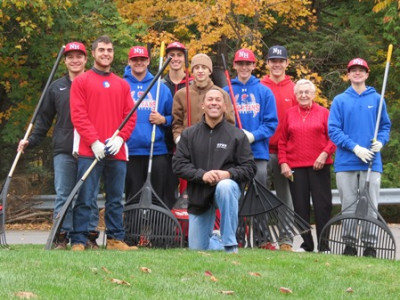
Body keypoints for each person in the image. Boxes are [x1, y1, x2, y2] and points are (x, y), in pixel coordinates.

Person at [17, 42, 99, 250]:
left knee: (88, 194)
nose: (75, 60)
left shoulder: (95, 84)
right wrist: (31, 141)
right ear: (65, 61)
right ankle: (61, 236)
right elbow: (44, 120)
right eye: (70, 57)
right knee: (64, 193)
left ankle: (88, 236)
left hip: (91, 148)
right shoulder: (56, 88)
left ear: (85, 59)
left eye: (79, 56)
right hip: (64, 149)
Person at [69, 35, 137, 251]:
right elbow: (78, 115)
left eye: (109, 50)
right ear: (94, 53)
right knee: (86, 197)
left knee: (116, 198)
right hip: (90, 151)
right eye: (102, 50)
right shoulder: (82, 81)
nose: (106, 53)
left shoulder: (122, 84)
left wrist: (120, 137)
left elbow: (131, 116)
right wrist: (94, 142)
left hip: (116, 152)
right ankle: (79, 239)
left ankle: (116, 239)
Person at [172, 89, 256, 253]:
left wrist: (228, 174)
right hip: (199, 194)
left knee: (225, 186)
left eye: (218, 100)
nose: (214, 103)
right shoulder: (189, 134)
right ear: (203, 105)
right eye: (210, 100)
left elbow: (250, 168)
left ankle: (229, 244)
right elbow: (178, 165)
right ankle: (216, 240)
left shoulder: (237, 135)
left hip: (226, 192)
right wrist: (202, 175)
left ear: (225, 106)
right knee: (197, 250)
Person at [328, 58, 391, 257]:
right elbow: (333, 130)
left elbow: (385, 127)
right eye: (353, 70)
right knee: (348, 204)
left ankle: (370, 245)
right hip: (346, 162)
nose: (357, 73)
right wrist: (354, 148)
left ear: (367, 73)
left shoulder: (377, 100)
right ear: (348, 75)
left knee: (370, 203)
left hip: (372, 161)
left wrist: (380, 142)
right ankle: (349, 245)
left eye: (361, 70)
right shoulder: (340, 100)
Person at [279, 79, 336, 253]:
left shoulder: (324, 112)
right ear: (295, 95)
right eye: (300, 92)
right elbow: (282, 141)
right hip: (296, 168)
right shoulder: (289, 114)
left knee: (322, 207)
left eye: (307, 92)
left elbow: (333, 137)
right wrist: (283, 163)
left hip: (320, 166)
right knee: (300, 208)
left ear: (313, 94)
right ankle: (307, 244)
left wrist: (325, 153)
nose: (303, 95)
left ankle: (324, 245)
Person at [123, 46, 173, 208]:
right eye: (135, 60)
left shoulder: (161, 88)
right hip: (130, 151)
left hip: (156, 150)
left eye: (142, 59)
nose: (139, 63)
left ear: (148, 61)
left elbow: (174, 118)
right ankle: (133, 232)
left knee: (158, 198)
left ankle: (157, 233)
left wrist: (163, 120)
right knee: (133, 198)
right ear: (129, 61)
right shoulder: (121, 86)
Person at [260, 45, 297, 251]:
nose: (276, 64)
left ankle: (285, 239)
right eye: (273, 61)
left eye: (280, 61)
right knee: (262, 195)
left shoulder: (294, 89)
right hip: (262, 150)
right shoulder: (260, 86)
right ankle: (264, 237)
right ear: (267, 63)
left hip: (285, 153)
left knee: (285, 197)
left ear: (286, 63)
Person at [172, 53, 235, 144]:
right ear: (192, 71)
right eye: (197, 68)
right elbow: (177, 123)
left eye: (204, 67)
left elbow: (229, 122)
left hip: (214, 144)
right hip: (189, 144)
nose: (200, 71)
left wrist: (223, 142)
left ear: (210, 71)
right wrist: (179, 138)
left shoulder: (221, 94)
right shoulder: (181, 94)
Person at [162, 41, 193, 207]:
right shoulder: (160, 84)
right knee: (167, 189)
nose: (175, 58)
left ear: (185, 58)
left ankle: (188, 229)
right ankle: (169, 228)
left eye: (179, 55)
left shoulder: (193, 83)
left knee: (189, 192)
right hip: (165, 146)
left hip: (188, 145)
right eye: (171, 55)